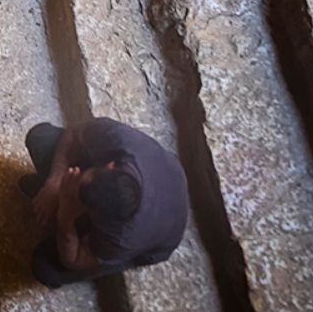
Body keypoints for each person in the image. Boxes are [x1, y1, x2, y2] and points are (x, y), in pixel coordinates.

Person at [20, 117, 189, 288]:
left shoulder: (123, 237)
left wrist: (65, 218)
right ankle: (51, 188)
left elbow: (75, 259)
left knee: (46, 269)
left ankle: (99, 254)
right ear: (110, 166)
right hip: (167, 174)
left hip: (156, 237)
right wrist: (54, 182)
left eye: (79, 202)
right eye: (81, 175)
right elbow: (74, 133)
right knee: (41, 138)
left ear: (96, 220)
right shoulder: (120, 140)